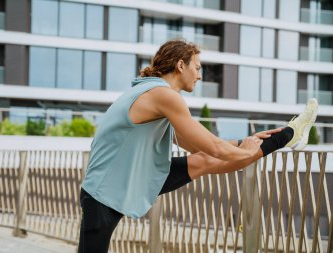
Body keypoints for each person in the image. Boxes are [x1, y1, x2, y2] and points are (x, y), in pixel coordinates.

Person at [78, 40, 318, 253]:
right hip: (104, 191)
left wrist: (247, 142)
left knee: (205, 161)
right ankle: (290, 135)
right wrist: (245, 150)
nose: (200, 75)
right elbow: (214, 146)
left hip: (137, 175)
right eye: (197, 67)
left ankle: (290, 134)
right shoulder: (163, 95)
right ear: (180, 65)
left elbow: (194, 146)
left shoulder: (152, 92)